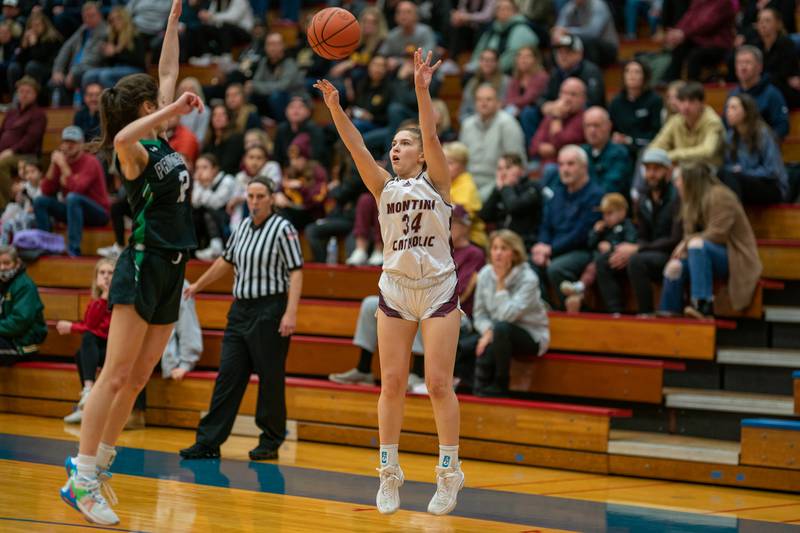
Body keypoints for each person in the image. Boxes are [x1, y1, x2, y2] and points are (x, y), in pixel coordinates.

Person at [60, 1, 202, 525]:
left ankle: (97, 464)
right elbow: (119, 136)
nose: (161, 104)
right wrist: (174, 110)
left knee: (139, 377)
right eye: (154, 106)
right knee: (113, 376)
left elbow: (167, 70)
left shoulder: (158, 136)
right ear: (144, 109)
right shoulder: (133, 150)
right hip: (140, 264)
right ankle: (83, 478)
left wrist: (170, 25)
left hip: (173, 264)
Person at [315, 49, 466, 516]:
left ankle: (449, 471)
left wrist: (422, 89)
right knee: (393, 384)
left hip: (438, 288)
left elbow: (433, 131)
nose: (395, 149)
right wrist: (337, 109)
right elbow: (357, 147)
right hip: (396, 290)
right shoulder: (384, 188)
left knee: (439, 384)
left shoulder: (436, 182)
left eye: (404, 144)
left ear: (421, 154)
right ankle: (388, 470)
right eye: (394, 144)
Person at [179, 177, 303, 460]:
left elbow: (296, 271)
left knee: (270, 379)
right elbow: (226, 260)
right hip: (240, 310)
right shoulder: (242, 227)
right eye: (251, 196)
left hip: (270, 309)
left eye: (261, 196)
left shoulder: (283, 229)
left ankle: (270, 441)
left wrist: (290, 312)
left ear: (271, 199)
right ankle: (208, 441)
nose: (255, 202)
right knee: (228, 376)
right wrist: (198, 285)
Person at [659, 162, 762, 319]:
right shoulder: (689, 201)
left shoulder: (720, 195)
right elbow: (688, 235)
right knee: (674, 267)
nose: (676, 184)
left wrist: (687, 242)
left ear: (690, 180)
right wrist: (683, 251)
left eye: (678, 179)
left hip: (735, 257)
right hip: (702, 256)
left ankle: (703, 304)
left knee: (696, 245)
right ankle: (669, 313)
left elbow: (718, 234)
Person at [595, 148, 682, 315]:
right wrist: (628, 250)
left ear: (668, 171)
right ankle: (616, 314)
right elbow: (641, 235)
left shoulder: (677, 198)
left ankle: (645, 314)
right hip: (647, 250)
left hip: (669, 253)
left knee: (636, 261)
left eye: (656, 169)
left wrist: (638, 249)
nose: (651, 174)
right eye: (648, 169)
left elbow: (674, 239)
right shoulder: (642, 199)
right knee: (604, 260)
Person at [472, 229, 548, 397]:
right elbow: (479, 314)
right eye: (494, 248)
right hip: (496, 332)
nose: (498, 253)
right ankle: (475, 391)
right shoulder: (485, 273)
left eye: (504, 248)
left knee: (501, 329)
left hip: (530, 335)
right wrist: (487, 332)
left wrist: (501, 285)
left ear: (514, 253)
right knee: (468, 342)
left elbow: (508, 316)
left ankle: (501, 383)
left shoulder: (528, 278)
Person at [531, 145, 603, 308]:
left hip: (581, 250)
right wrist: (542, 246)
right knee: (528, 264)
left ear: (584, 167)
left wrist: (551, 250)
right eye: (561, 164)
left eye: (570, 164)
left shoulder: (595, 195)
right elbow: (546, 225)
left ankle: (572, 313)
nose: (564, 169)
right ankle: (546, 309)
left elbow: (582, 234)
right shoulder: (557, 193)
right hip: (554, 248)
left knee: (556, 268)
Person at [33, 126, 109, 256]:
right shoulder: (61, 161)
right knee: (40, 201)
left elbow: (77, 188)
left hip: (98, 213)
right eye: (66, 142)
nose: (68, 146)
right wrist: (53, 164)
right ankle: (46, 246)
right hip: (73, 211)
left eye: (73, 142)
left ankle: (73, 250)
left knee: (73, 198)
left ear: (81, 145)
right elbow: (46, 190)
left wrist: (63, 166)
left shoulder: (91, 162)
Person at [560, 193, 637, 312]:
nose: (605, 217)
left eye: (610, 213)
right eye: (604, 214)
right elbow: (590, 244)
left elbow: (629, 243)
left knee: (594, 266)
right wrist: (595, 232)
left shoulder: (627, 226)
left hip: (615, 260)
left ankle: (580, 288)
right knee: (591, 266)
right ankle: (579, 294)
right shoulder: (604, 228)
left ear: (622, 212)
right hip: (597, 260)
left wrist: (611, 247)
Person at [60, 258, 115, 424]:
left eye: (110, 273)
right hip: (100, 347)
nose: (106, 277)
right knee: (80, 353)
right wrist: (102, 298)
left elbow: (104, 330)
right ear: (96, 277)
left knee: (88, 337)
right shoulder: (96, 301)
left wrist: (71, 327)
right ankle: (87, 398)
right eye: (102, 273)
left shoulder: (119, 299)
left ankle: (88, 394)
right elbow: (90, 325)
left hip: (115, 348)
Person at [458, 83, 526, 201]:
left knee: (474, 201)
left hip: (495, 181)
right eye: (479, 99)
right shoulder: (467, 125)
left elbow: (516, 163)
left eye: (489, 99)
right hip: (467, 180)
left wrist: (502, 183)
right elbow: (460, 159)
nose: (483, 103)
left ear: (498, 103)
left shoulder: (509, 124)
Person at [721, 93, 788, 205]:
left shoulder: (763, 133)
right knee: (720, 175)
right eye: (727, 107)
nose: (728, 112)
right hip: (743, 183)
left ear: (746, 111)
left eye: (733, 108)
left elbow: (772, 171)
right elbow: (727, 166)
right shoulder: (730, 136)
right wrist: (736, 171)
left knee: (735, 180)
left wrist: (744, 172)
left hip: (771, 186)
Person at [649, 82, 724, 167]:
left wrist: (674, 155)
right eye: (682, 101)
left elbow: (707, 151)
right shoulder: (676, 120)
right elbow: (656, 145)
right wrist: (657, 156)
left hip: (708, 170)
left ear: (702, 103)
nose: (686, 106)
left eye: (691, 101)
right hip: (682, 169)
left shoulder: (712, 121)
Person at [478, 153, 543, 250]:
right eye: (500, 169)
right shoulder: (500, 190)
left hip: (525, 244)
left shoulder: (532, 187)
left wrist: (506, 187)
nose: (503, 172)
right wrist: (496, 191)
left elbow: (514, 206)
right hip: (501, 244)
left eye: (508, 167)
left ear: (521, 170)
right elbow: (484, 216)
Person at [0, 75, 45, 208]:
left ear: (35, 94)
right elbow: (2, 132)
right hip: (6, 154)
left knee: (2, 164)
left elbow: (31, 139)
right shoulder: (11, 112)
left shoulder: (38, 115)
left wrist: (11, 151)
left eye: (28, 91)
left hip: (27, 156)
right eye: (21, 91)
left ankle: (10, 203)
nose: (24, 95)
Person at [49, 2, 107, 105]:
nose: (88, 19)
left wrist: (74, 71)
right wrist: (57, 70)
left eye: (92, 16)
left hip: (92, 67)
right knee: (56, 81)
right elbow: (66, 48)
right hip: (75, 68)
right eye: (85, 17)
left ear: (99, 15)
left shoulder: (105, 31)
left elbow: (94, 58)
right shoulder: (83, 29)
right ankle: (64, 116)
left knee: (78, 76)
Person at [728, 45, 789, 141]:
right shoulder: (733, 94)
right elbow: (726, 125)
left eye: (748, 62)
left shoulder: (772, 94)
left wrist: (762, 143)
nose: (743, 67)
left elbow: (782, 127)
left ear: (759, 67)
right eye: (739, 63)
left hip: (763, 148)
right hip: (736, 149)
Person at [664, 0, 735, 81]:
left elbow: (708, 23)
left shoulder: (723, 2)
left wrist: (683, 33)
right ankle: (671, 82)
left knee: (695, 56)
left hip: (718, 44)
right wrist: (677, 30)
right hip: (700, 41)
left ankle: (693, 87)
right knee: (679, 48)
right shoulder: (698, 1)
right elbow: (688, 16)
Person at [0, 244, 46, 366]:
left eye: (6, 263)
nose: (2, 268)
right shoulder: (3, 284)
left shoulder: (24, 285)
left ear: (17, 263)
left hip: (22, 344)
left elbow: (19, 322)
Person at [608, 59, 663, 157]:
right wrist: (615, 137)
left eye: (637, 72)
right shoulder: (616, 101)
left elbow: (656, 133)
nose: (631, 75)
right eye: (628, 71)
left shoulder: (654, 100)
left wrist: (630, 140)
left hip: (646, 147)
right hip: (620, 149)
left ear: (645, 77)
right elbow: (611, 128)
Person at [81, 6, 146, 89]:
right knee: (88, 75)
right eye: (112, 20)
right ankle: (89, 101)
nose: (115, 22)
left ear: (125, 18)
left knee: (105, 75)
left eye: (118, 18)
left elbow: (139, 60)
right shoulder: (112, 37)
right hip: (115, 68)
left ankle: (114, 101)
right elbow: (109, 63)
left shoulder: (135, 35)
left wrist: (116, 52)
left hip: (134, 69)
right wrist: (107, 54)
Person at [466, 0, 538, 73]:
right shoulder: (492, 29)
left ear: (515, 11)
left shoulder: (522, 30)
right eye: (499, 8)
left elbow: (511, 57)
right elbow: (479, 51)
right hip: (485, 71)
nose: (503, 11)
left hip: (507, 74)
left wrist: (490, 69)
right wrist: (473, 66)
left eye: (507, 8)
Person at [246, 32, 304, 122]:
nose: (272, 47)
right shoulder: (264, 62)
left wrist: (256, 86)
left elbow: (282, 86)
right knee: (251, 94)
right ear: (265, 47)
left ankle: (282, 124)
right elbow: (256, 81)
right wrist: (255, 86)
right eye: (269, 44)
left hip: (292, 99)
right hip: (269, 98)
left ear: (283, 46)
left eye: (276, 44)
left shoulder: (290, 62)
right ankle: (260, 123)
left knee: (276, 96)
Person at [529, 77, 586, 167]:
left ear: (583, 99)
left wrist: (557, 117)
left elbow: (561, 143)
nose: (567, 99)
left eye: (573, 94)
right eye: (564, 93)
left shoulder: (583, 119)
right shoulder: (550, 117)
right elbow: (533, 147)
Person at [191, 153, 236, 260]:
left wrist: (205, 185)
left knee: (208, 211)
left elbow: (216, 203)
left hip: (226, 219)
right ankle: (192, 249)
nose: (200, 171)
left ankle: (216, 247)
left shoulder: (227, 180)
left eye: (205, 167)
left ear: (215, 169)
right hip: (207, 220)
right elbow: (195, 202)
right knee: (194, 214)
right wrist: (200, 183)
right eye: (198, 168)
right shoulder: (199, 181)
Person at [581, 106, 633, 196]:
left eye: (596, 125)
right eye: (588, 126)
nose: (592, 130)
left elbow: (609, 188)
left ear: (609, 126)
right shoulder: (581, 152)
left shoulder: (619, 154)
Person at [755, 7, 800, 108]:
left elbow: (782, 74)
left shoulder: (786, 44)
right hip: (765, 87)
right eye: (760, 21)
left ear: (778, 24)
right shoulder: (756, 45)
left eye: (767, 20)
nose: (762, 24)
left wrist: (760, 78)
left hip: (785, 89)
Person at [7, 10, 62, 91]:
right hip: (30, 66)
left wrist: (34, 44)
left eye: (37, 25)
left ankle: (36, 98)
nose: (35, 28)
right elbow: (18, 60)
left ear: (45, 25)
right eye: (32, 26)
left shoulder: (52, 39)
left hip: (48, 68)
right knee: (13, 67)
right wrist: (23, 47)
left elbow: (40, 58)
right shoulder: (28, 37)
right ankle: (16, 98)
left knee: (32, 66)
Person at [553, 0, 619, 67]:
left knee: (587, 42)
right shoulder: (570, 6)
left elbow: (593, 32)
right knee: (558, 42)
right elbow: (559, 28)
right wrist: (558, 34)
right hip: (583, 43)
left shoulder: (598, 5)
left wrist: (568, 31)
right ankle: (559, 74)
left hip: (607, 47)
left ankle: (592, 73)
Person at [459, 49, 509, 122]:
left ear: (497, 63)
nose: (487, 63)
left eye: (491, 60)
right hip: (475, 122)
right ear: (480, 62)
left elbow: (506, 106)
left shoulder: (506, 82)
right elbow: (464, 110)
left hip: (497, 121)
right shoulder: (472, 83)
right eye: (484, 60)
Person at [503, 46, 549, 119]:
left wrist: (504, 103)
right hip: (515, 110)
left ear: (535, 59)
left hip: (534, 112)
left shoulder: (541, 76)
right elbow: (510, 97)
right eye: (520, 56)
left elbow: (528, 99)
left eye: (527, 56)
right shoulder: (516, 78)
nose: (523, 60)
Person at [202, 104, 244, 175]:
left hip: (227, 178)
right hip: (207, 177)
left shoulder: (235, 139)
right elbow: (202, 160)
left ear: (229, 119)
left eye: (222, 114)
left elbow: (228, 166)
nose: (218, 117)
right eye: (215, 115)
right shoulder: (209, 140)